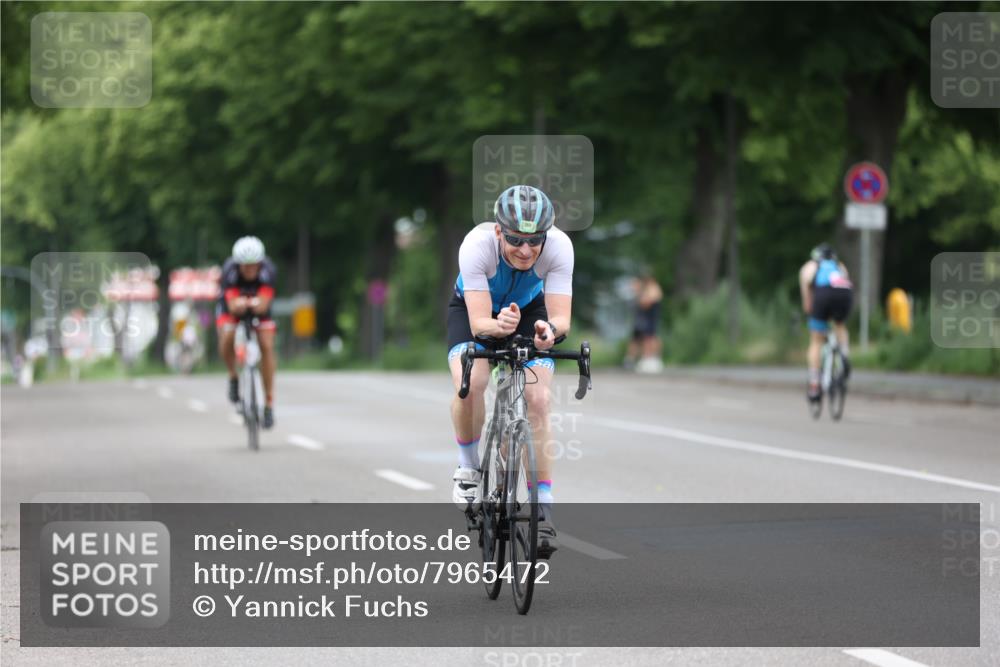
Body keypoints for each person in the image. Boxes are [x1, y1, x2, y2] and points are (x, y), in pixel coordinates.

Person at [447, 184, 574, 558]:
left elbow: (561, 316)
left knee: (537, 399)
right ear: (499, 231)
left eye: (534, 241)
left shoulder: (560, 247)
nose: (525, 249)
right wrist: (496, 325)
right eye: (516, 239)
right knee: (473, 384)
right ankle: (468, 468)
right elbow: (478, 323)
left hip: (529, 311)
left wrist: (549, 331)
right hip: (476, 312)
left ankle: (544, 508)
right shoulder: (476, 245)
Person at [216, 236, 278, 428]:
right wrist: (241, 304)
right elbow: (232, 306)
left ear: (260, 263)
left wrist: (254, 304)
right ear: (238, 264)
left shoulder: (268, 271)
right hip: (232, 308)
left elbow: (264, 304)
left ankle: (268, 404)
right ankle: (233, 375)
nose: (250, 270)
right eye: (245, 266)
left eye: (254, 266)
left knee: (266, 345)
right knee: (227, 336)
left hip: (259, 306)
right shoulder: (229, 272)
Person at [799, 243, 853, 402]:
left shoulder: (809, 267)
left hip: (823, 293)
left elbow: (808, 302)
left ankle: (815, 385)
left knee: (816, 340)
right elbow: (844, 282)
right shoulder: (840, 265)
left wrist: (812, 314)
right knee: (840, 325)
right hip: (845, 292)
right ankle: (843, 355)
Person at [625, 270, 664, 373]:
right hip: (644, 319)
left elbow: (646, 303)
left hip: (650, 318)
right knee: (642, 339)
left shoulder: (653, 288)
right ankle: (641, 359)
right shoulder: (648, 289)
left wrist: (639, 296)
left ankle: (650, 358)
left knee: (650, 338)